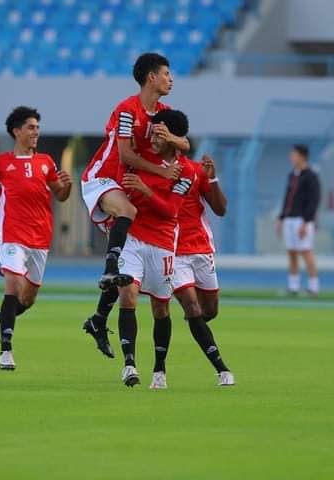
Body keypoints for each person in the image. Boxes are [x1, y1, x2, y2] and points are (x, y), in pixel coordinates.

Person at [81, 53, 191, 357]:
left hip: (123, 186)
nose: (171, 79)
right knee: (128, 215)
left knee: (127, 275)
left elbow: (186, 143)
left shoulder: (163, 112)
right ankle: (107, 269)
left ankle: (98, 319)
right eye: (167, 73)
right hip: (102, 178)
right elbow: (126, 155)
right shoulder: (127, 110)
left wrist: (173, 138)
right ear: (151, 77)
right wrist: (160, 171)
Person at [0, 106, 72, 371]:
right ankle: (5, 351)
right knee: (13, 283)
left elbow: (60, 195)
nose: (36, 132)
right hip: (12, 235)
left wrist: (66, 186)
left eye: (37, 128)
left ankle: (2, 317)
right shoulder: (1, 162)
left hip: (40, 238)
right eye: (31, 127)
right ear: (16, 131)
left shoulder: (46, 162)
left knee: (28, 298)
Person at [111, 109, 197, 387]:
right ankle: (129, 365)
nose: (153, 138)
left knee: (161, 309)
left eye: (159, 134)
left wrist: (145, 191)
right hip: (133, 239)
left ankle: (159, 369)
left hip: (161, 243)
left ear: (171, 136)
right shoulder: (141, 158)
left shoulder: (186, 171)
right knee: (128, 296)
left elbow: (171, 211)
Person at [171, 153, 235, 388]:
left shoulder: (197, 170)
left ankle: (196, 324)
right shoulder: (151, 168)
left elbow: (220, 209)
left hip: (200, 248)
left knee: (209, 310)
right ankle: (222, 370)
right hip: (172, 250)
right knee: (192, 306)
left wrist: (214, 180)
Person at [275, 145, 321, 296]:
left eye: (294, 155)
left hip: (302, 220)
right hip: (289, 219)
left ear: (302, 157)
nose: (291, 158)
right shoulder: (292, 175)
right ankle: (293, 286)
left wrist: (306, 221)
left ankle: (313, 287)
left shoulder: (311, 176)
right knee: (292, 253)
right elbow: (287, 198)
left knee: (306, 252)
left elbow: (314, 201)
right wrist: (281, 218)